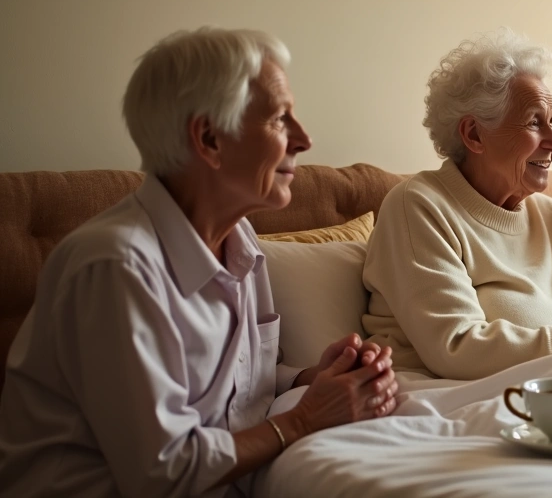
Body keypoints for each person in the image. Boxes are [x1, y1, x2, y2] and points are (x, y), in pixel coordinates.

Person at [0, 28, 399, 497]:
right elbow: (162, 472)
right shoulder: (115, 267)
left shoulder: (239, 239)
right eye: (279, 119)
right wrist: (307, 418)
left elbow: (233, 386)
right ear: (209, 138)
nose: (304, 138)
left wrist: (316, 379)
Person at [362, 30, 552, 381]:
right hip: (458, 394)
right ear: (474, 134)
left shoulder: (550, 214)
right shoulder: (418, 206)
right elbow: (457, 347)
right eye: (534, 122)